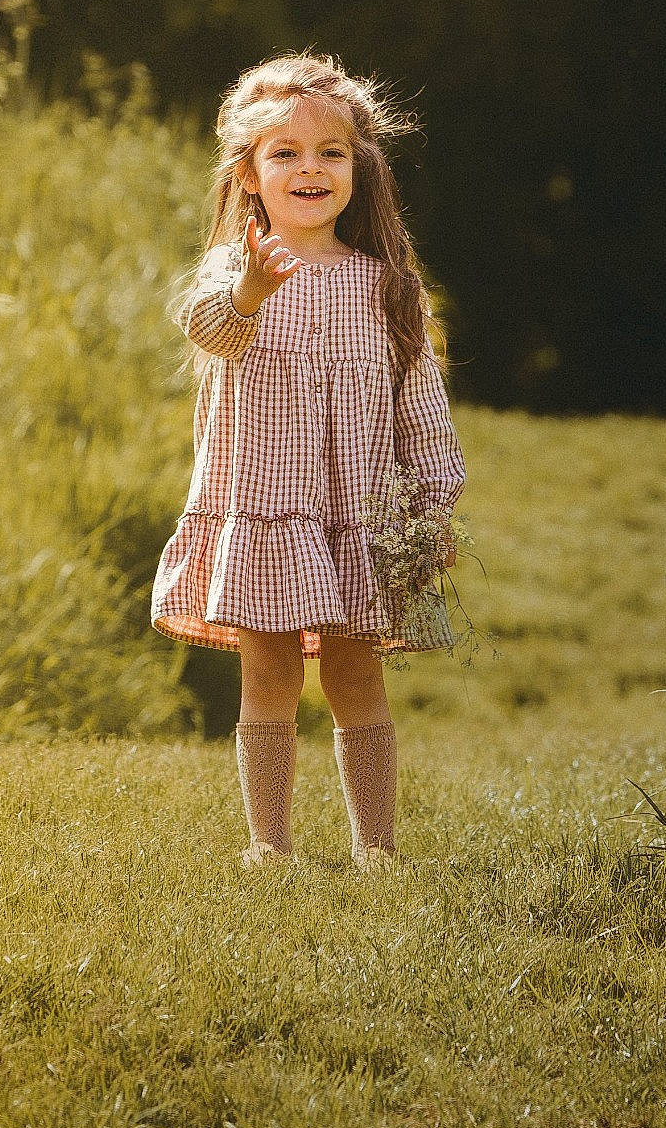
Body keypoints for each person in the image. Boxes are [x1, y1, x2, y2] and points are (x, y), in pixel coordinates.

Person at [149, 52, 467, 870]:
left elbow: (420, 410)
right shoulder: (233, 270)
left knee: (357, 677)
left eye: (329, 152)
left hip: (354, 521)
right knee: (271, 678)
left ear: (357, 171)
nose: (309, 168)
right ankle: (270, 846)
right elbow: (210, 328)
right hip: (263, 513)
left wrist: (431, 507)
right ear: (249, 175)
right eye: (283, 153)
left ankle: (378, 847)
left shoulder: (386, 285)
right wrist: (251, 289)